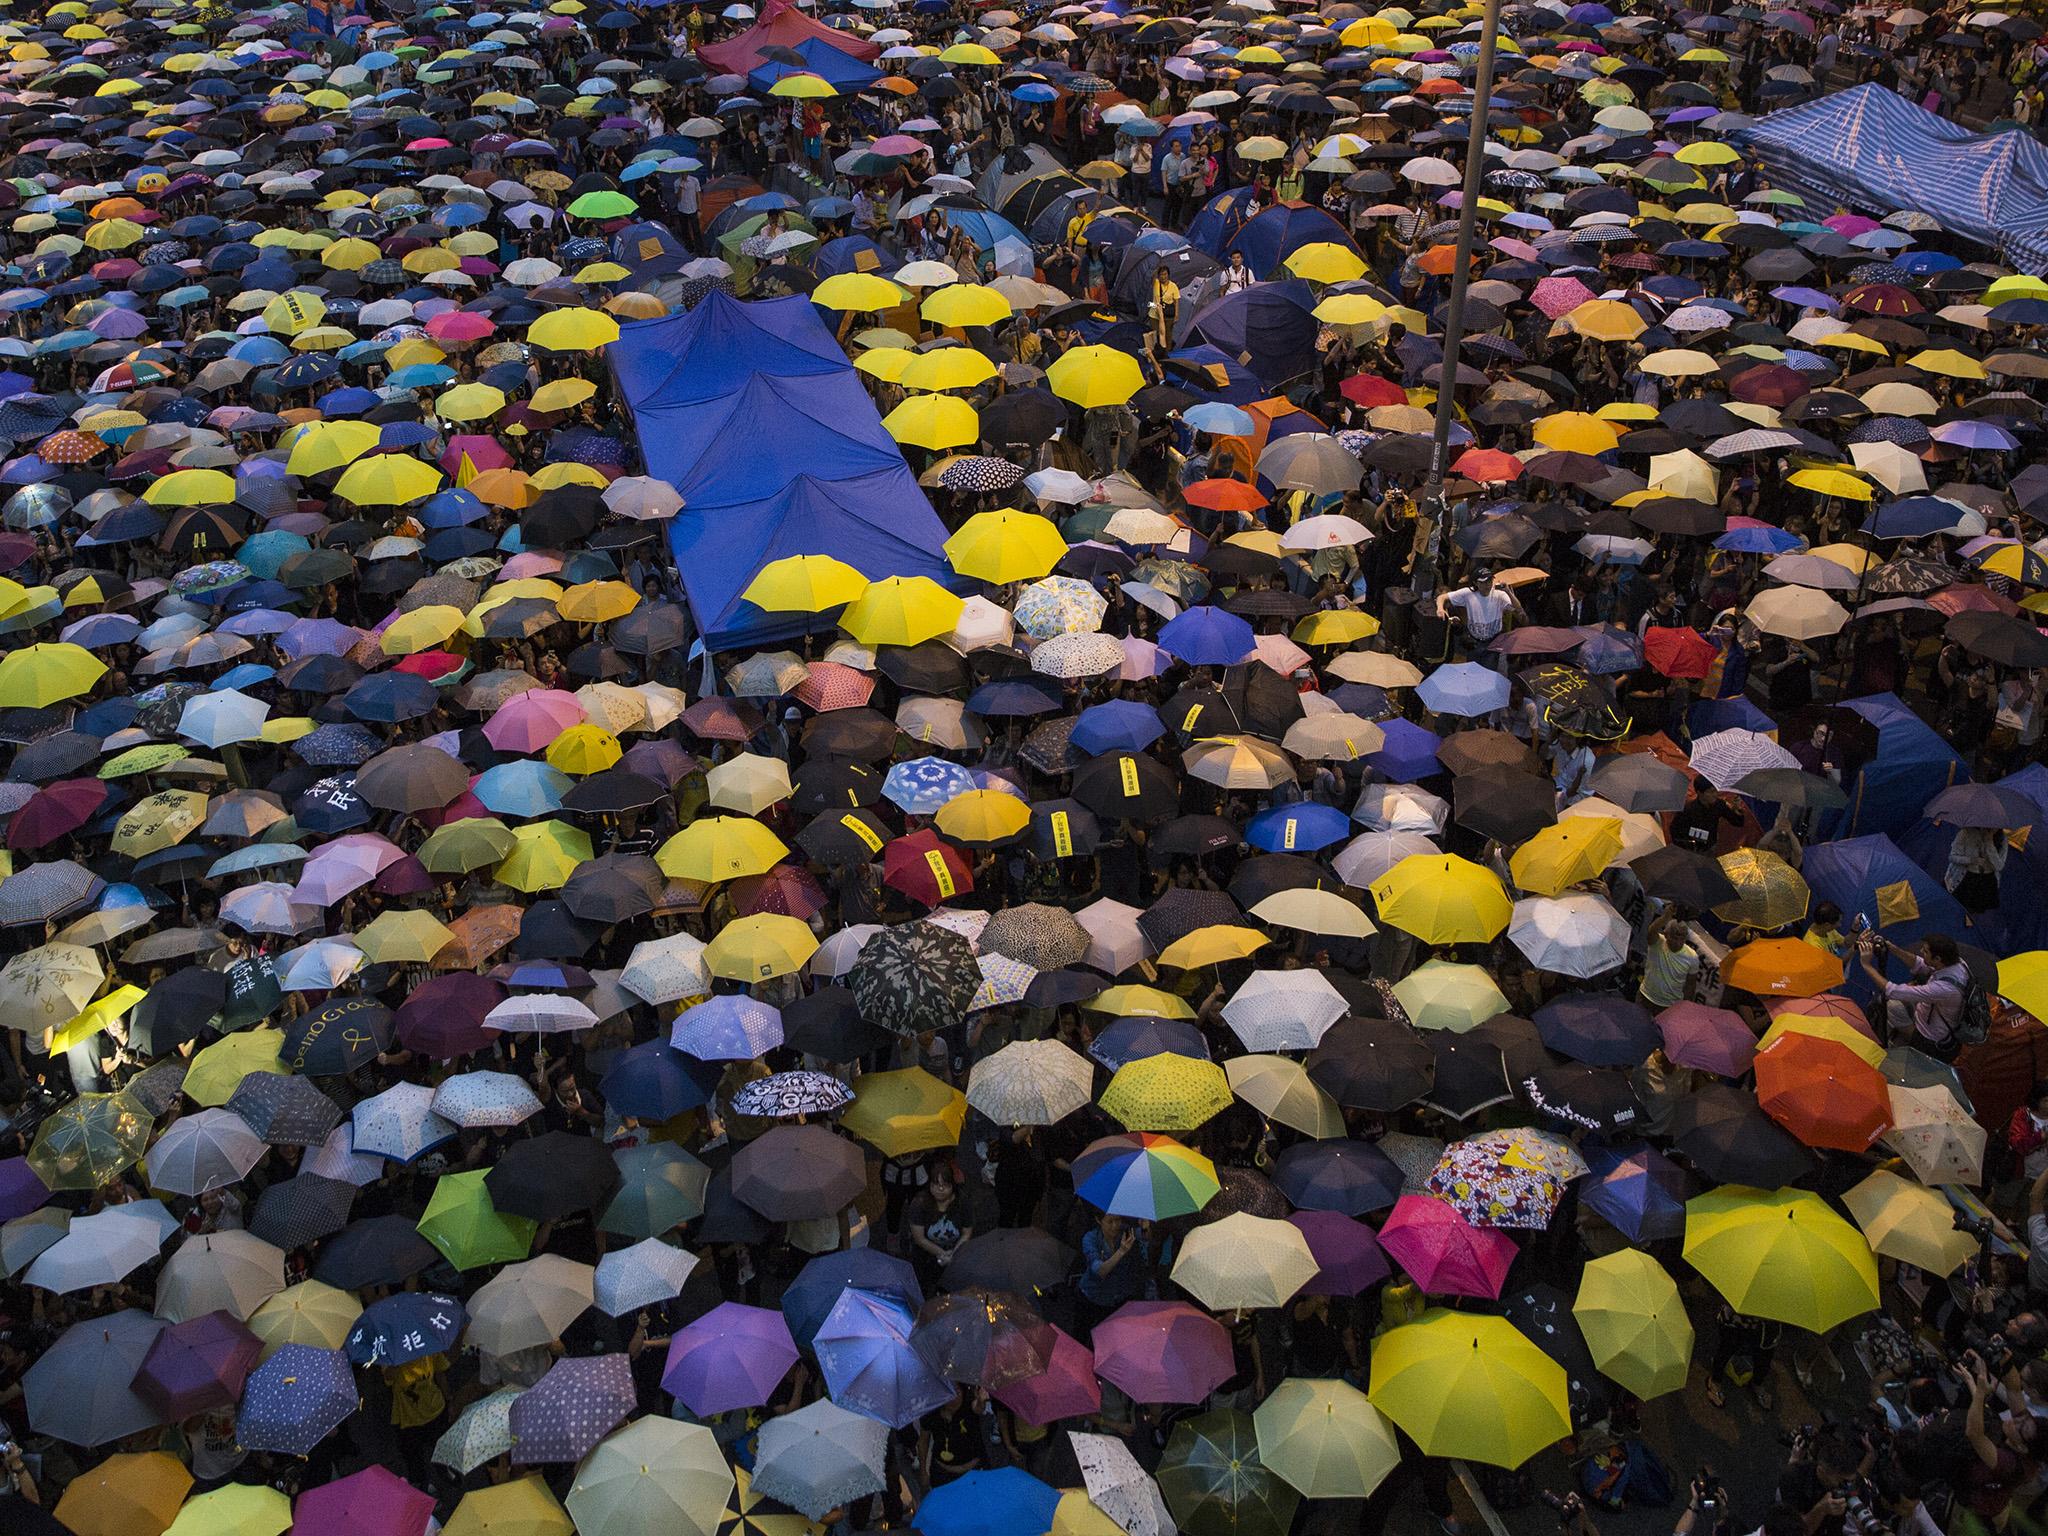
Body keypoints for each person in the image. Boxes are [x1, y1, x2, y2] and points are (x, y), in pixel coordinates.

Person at [1859, 932, 1971, 1053]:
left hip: (1931, 1037)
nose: (1921, 950)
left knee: (1893, 1006)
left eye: (1926, 951)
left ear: (1938, 958)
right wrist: (1893, 949)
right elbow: (1921, 964)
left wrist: (1867, 966)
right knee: (1897, 1004)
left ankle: (1913, 1041)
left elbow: (1894, 991)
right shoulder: (1958, 963)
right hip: (1931, 1010)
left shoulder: (1945, 989)